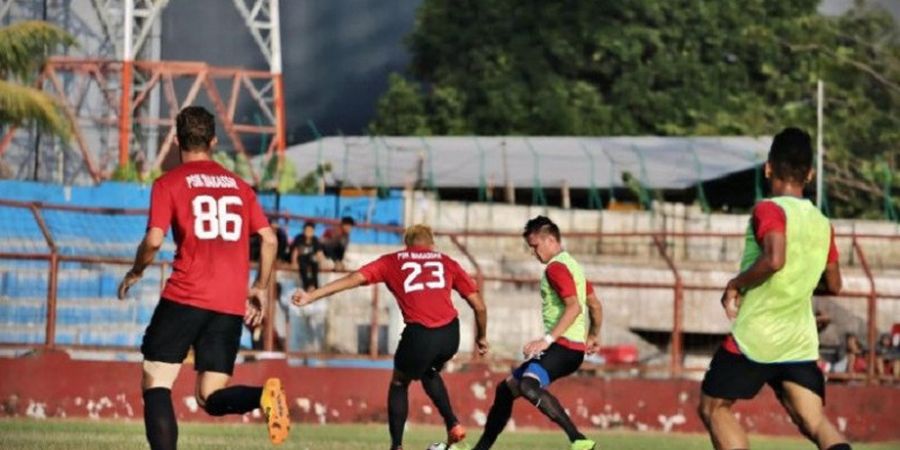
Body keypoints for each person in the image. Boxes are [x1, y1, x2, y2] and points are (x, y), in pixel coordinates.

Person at [117, 106, 290, 449]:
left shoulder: (169, 183)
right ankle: (264, 397)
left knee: (156, 382)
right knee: (210, 396)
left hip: (186, 295)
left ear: (178, 141)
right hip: (228, 304)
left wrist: (136, 270)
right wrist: (258, 288)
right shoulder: (240, 186)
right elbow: (269, 239)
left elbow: (154, 240)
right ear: (213, 141)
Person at [698, 127, 849, 450]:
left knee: (713, 407)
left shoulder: (769, 209)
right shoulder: (823, 224)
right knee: (815, 423)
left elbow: (775, 258)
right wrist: (802, 277)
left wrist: (735, 284)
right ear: (809, 174)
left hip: (757, 336)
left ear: (768, 168)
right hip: (799, 342)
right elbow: (834, 285)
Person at [292, 224, 488, 450]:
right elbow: (480, 307)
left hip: (420, 334)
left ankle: (396, 446)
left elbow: (354, 278)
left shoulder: (392, 261)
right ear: (431, 244)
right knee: (428, 371)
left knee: (399, 382)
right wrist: (481, 338)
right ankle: (453, 423)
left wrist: (312, 296)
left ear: (407, 245)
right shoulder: (446, 261)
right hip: (450, 335)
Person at [473, 216, 599, 450]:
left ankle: (579, 440)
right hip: (572, 347)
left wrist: (547, 340)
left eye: (535, 246)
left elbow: (574, 307)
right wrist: (593, 335)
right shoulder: (574, 267)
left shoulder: (556, 269)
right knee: (506, 390)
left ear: (550, 240)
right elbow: (595, 305)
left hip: (563, 346)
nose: (533, 253)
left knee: (528, 386)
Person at [290, 222, 323, 291]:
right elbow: (295, 251)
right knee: (303, 266)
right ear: (303, 230)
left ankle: (315, 285)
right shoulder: (299, 238)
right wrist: (294, 262)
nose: (308, 232)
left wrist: (321, 261)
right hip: (301, 259)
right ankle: (307, 286)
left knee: (315, 264)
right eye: (307, 230)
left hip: (310, 259)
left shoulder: (315, 240)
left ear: (313, 231)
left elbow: (319, 252)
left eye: (310, 231)